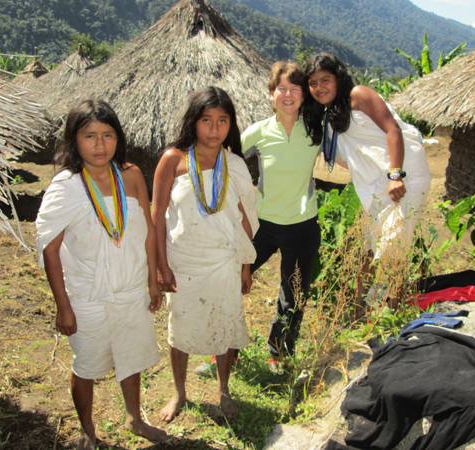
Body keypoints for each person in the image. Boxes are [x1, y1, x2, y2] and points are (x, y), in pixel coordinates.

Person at [36, 100, 167, 449]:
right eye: (89, 136)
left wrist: (153, 280)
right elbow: (50, 249)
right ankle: (88, 431)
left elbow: (149, 229)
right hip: (87, 295)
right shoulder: (66, 186)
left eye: (107, 135)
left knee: (133, 354)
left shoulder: (132, 175)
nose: (99, 145)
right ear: (73, 140)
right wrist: (63, 306)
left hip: (131, 288)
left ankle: (135, 418)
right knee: (88, 364)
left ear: (118, 138)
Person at [152, 86, 259, 420]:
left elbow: (242, 217)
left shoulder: (235, 164)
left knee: (227, 323)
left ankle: (223, 389)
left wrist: (245, 265)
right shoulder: (174, 159)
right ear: (193, 122)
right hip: (183, 260)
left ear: (231, 124)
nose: (214, 129)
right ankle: (179, 392)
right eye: (206, 120)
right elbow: (156, 215)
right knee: (180, 326)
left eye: (222, 120)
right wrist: (161, 265)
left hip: (225, 259)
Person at [303, 52, 431, 317]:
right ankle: (359, 312)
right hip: (374, 186)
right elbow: (346, 156)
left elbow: (392, 130)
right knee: (369, 250)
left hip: (403, 175)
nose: (319, 88)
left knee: (394, 247)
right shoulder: (329, 115)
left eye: (325, 80)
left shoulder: (358, 95)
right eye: (313, 83)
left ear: (338, 78)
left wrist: (395, 174)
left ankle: (391, 315)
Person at [241, 61, 321, 366]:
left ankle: (279, 355)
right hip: (262, 225)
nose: (287, 94)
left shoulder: (314, 131)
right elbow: (228, 161)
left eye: (295, 88)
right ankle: (224, 351)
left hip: (303, 226)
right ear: (271, 94)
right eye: (281, 88)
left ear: (303, 95)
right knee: (232, 283)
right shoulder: (258, 132)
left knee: (294, 295)